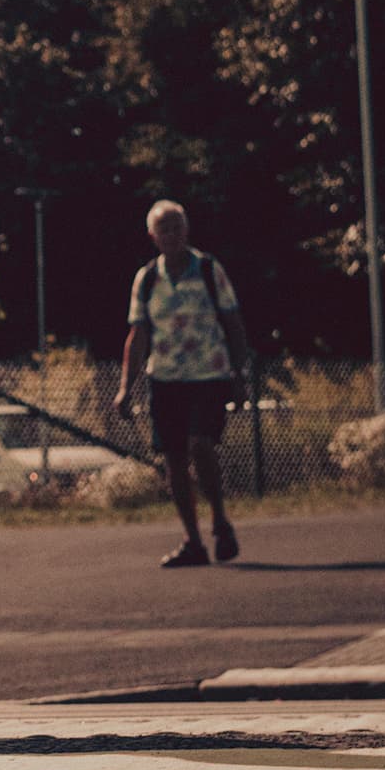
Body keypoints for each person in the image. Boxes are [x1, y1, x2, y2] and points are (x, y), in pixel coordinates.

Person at [112, 200, 251, 567]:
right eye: (165, 229)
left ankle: (220, 520)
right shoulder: (147, 279)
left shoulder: (208, 269)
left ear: (186, 230)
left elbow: (233, 323)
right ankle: (193, 541)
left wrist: (240, 375)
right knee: (174, 460)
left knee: (200, 444)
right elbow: (138, 335)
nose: (172, 235)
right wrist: (127, 387)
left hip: (209, 374)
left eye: (177, 227)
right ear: (153, 236)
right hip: (166, 379)